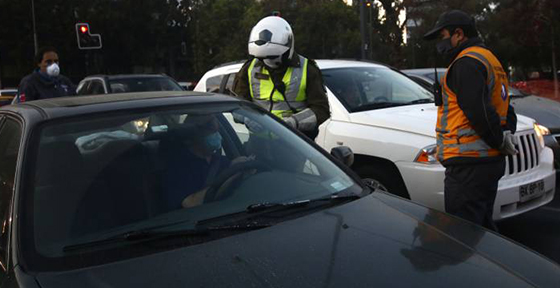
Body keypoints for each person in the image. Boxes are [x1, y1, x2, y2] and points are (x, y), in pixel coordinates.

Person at [423, 10, 518, 231]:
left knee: (463, 234)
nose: (441, 43)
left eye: (443, 35)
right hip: (487, 163)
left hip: (468, 164)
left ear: (459, 34)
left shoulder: (466, 63)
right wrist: (505, 135)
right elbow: (507, 108)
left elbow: (478, 111)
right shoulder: (490, 60)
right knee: (481, 230)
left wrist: (497, 140)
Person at [232, 15, 330, 139]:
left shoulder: (307, 69)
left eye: (272, 57)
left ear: (288, 47)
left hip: (295, 144)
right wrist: (247, 118)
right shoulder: (249, 69)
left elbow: (321, 110)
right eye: (262, 58)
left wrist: (294, 122)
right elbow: (236, 105)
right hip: (259, 145)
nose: (267, 61)